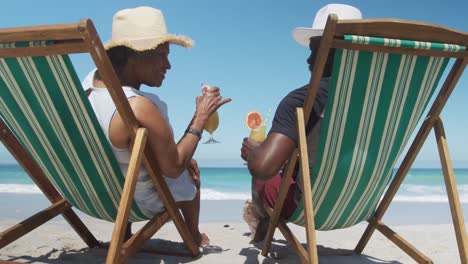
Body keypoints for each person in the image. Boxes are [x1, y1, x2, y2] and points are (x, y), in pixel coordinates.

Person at [85, 6, 231, 247]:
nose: (168, 65)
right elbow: (173, 167)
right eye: (162, 54)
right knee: (189, 174)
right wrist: (201, 116)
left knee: (132, 159)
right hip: (136, 203)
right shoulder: (139, 107)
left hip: (95, 196)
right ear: (133, 54)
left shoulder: (87, 89)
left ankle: (123, 232)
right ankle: (192, 235)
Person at [240, 3, 362, 242]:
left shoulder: (301, 101)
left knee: (263, 171)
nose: (308, 60)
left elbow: (263, 168)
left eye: (314, 50)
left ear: (329, 50)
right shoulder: (376, 98)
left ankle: (263, 218)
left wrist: (256, 153)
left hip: (309, 206)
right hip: (359, 202)